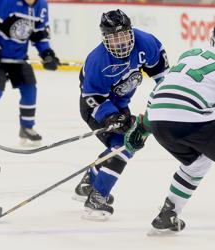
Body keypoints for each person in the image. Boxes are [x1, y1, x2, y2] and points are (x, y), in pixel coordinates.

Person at [73, 9, 169, 220]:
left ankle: (89, 182)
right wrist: (110, 117)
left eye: (123, 34)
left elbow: (164, 79)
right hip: (97, 108)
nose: (120, 41)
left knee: (122, 145)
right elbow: (93, 99)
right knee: (124, 146)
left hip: (121, 106)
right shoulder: (97, 61)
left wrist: (167, 103)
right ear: (105, 38)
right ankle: (97, 198)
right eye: (113, 37)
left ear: (130, 31)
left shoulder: (147, 43)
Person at [124, 25, 215, 234]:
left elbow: (163, 88)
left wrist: (145, 126)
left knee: (198, 162)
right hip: (191, 118)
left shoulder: (192, 53)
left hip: (159, 118)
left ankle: (168, 213)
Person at [0, 0, 60, 147]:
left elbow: (40, 33)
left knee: (30, 89)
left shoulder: (41, 6)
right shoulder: (5, 1)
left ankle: (26, 128)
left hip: (18, 58)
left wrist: (47, 54)